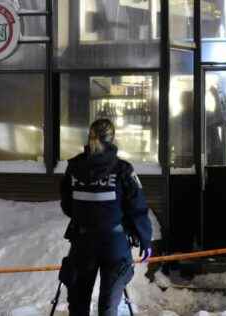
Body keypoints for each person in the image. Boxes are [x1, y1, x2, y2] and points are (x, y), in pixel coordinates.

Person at [59, 119, 153, 316]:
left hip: (82, 243)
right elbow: (137, 206)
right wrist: (144, 239)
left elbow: (67, 206)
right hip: (114, 245)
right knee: (108, 306)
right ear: (112, 139)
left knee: (78, 305)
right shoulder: (122, 169)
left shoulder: (74, 168)